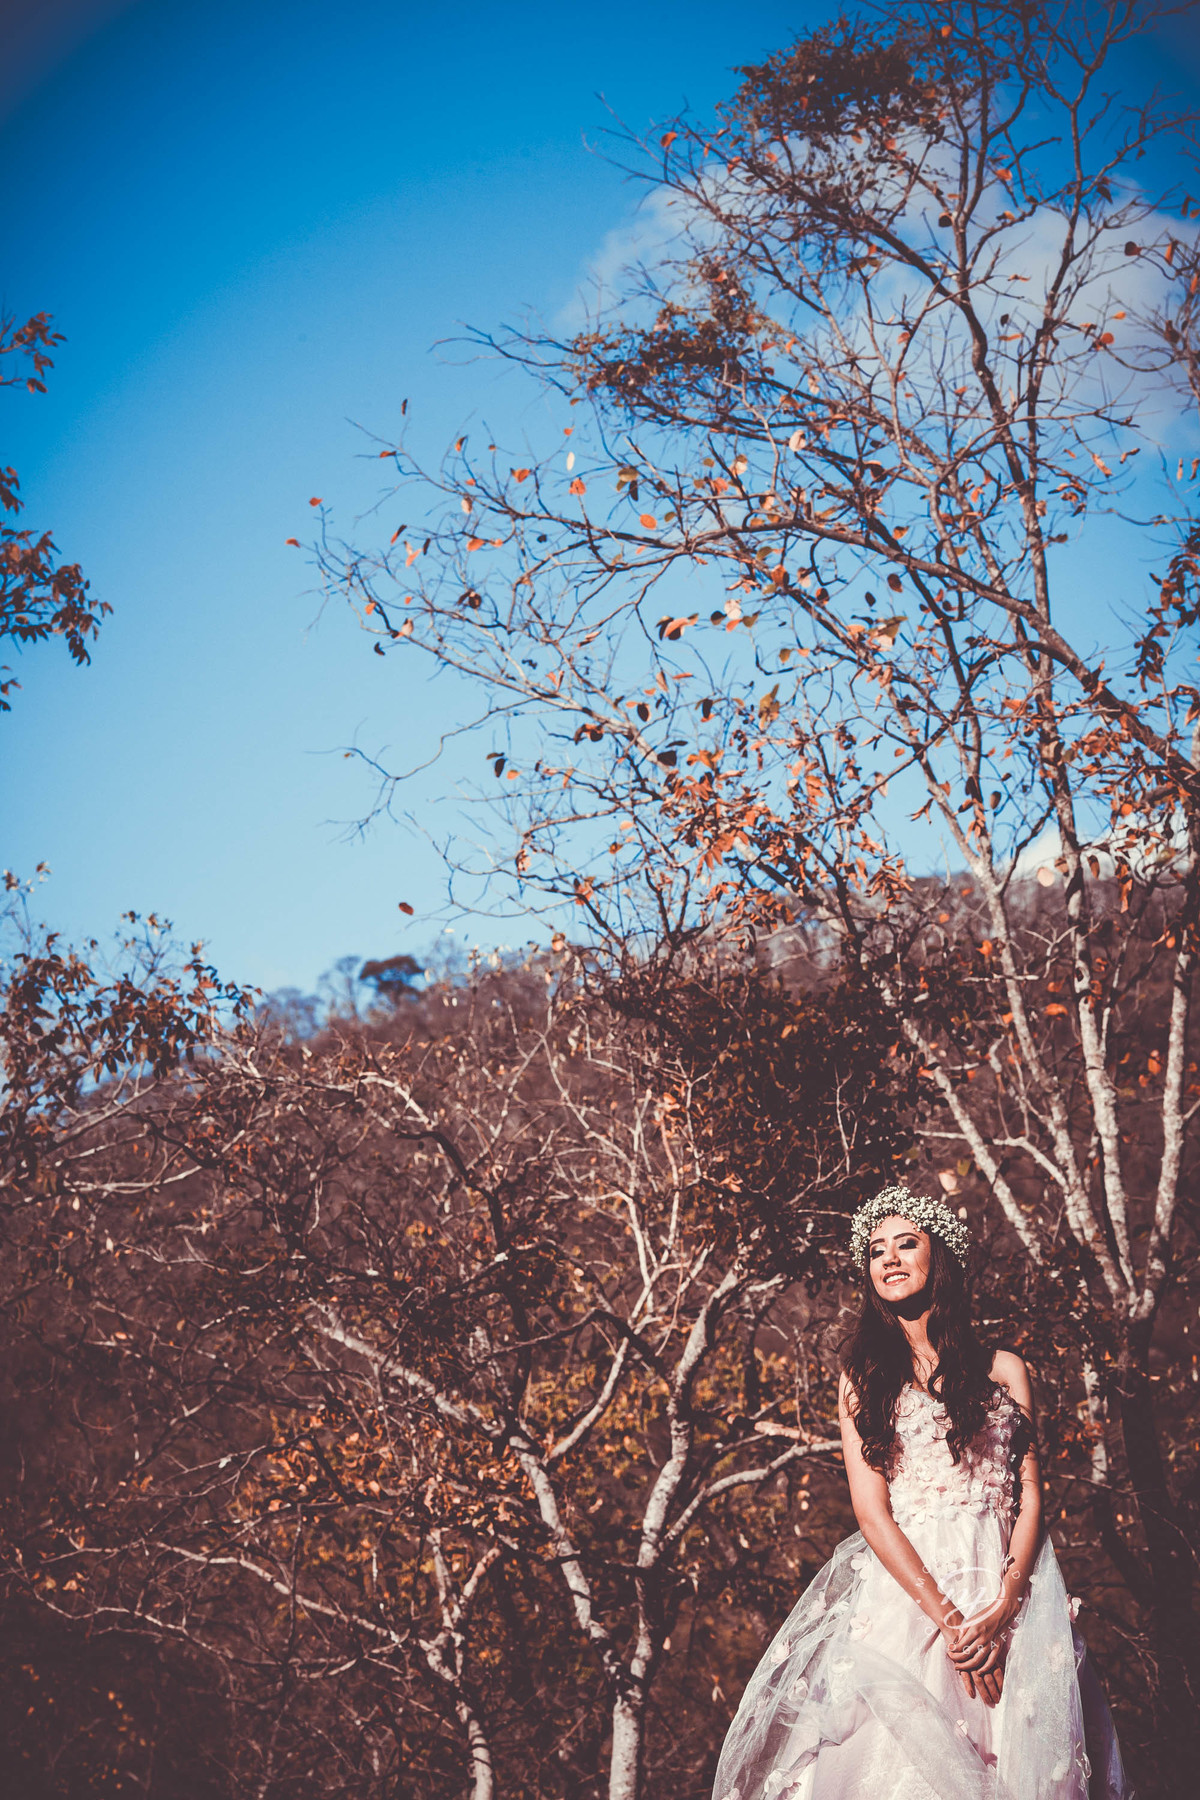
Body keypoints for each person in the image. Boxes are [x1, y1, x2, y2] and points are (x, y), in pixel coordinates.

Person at [712, 1183, 1129, 1800]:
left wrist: (1005, 1609)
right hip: (913, 1603)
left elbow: (1031, 1494)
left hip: (1010, 1597)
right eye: (877, 1250)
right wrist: (955, 1625)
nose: (890, 1258)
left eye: (906, 1243)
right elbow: (871, 1512)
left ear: (942, 1260)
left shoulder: (1005, 1368)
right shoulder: (862, 1379)